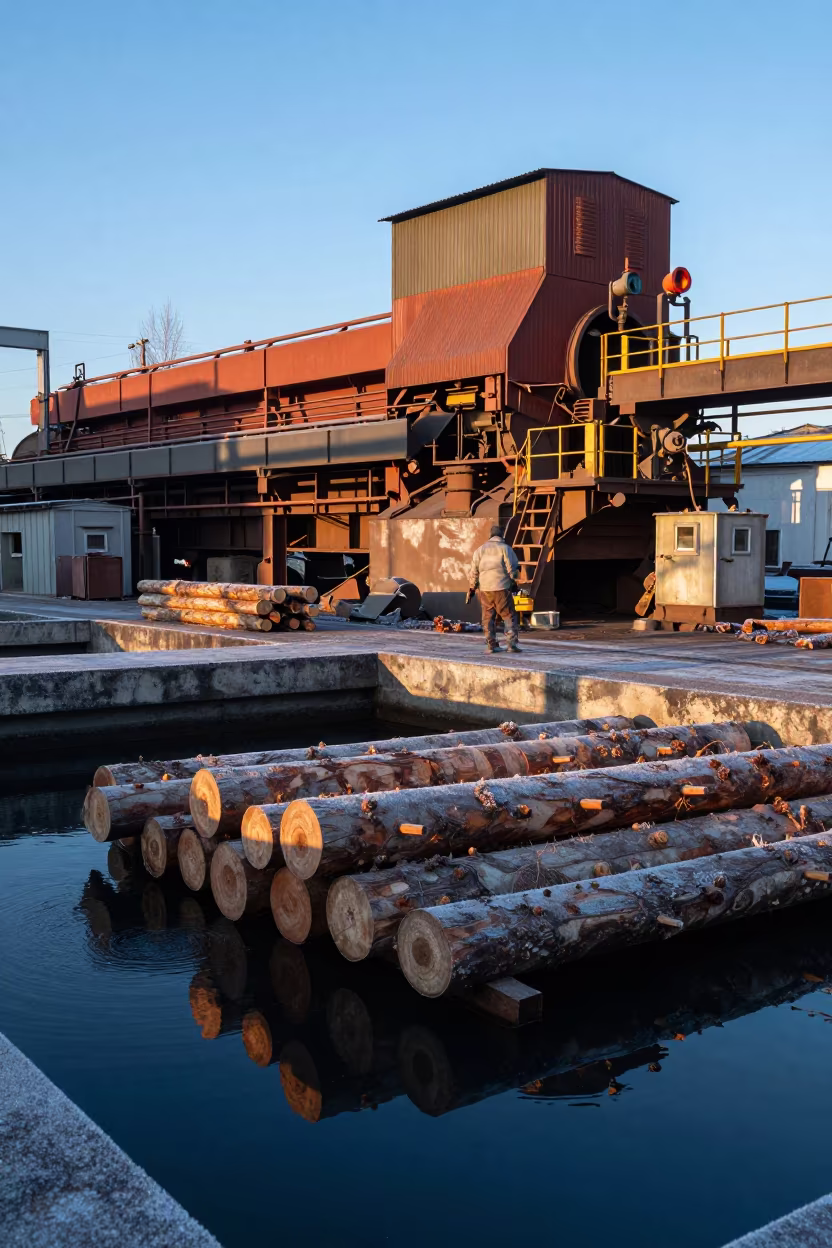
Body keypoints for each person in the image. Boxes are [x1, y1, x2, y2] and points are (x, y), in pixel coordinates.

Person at [466, 524, 521, 653]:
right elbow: (513, 570)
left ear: (490, 535)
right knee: (508, 616)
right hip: (502, 587)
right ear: (502, 535)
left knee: (488, 617)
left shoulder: (479, 550)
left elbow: (473, 572)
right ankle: (511, 645)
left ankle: (491, 645)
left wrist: (472, 588)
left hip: (485, 589)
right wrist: (515, 582)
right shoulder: (505, 549)